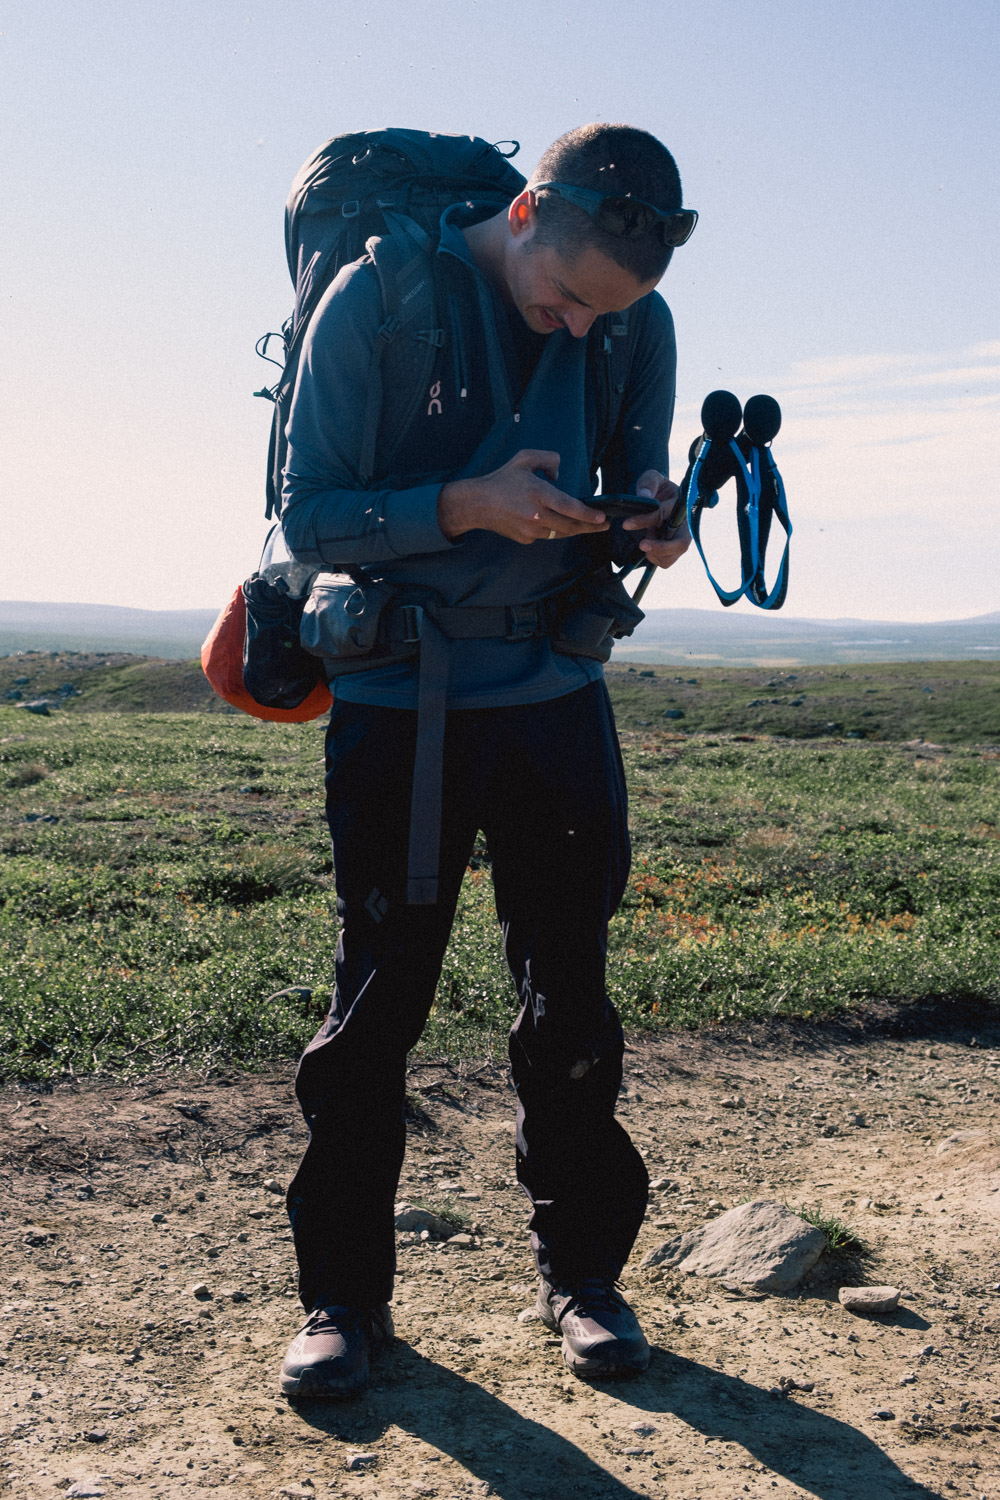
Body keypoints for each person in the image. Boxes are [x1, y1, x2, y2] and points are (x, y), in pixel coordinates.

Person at [276, 122, 696, 1398]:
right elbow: (307, 516)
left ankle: (584, 1279)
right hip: (400, 698)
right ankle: (341, 1300)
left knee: (569, 997)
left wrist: (652, 523)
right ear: (523, 215)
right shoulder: (381, 295)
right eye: (561, 298)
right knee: (374, 1012)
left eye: (600, 314)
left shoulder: (630, 324)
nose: (573, 329)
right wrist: (461, 504)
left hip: (556, 694)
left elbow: (631, 476)